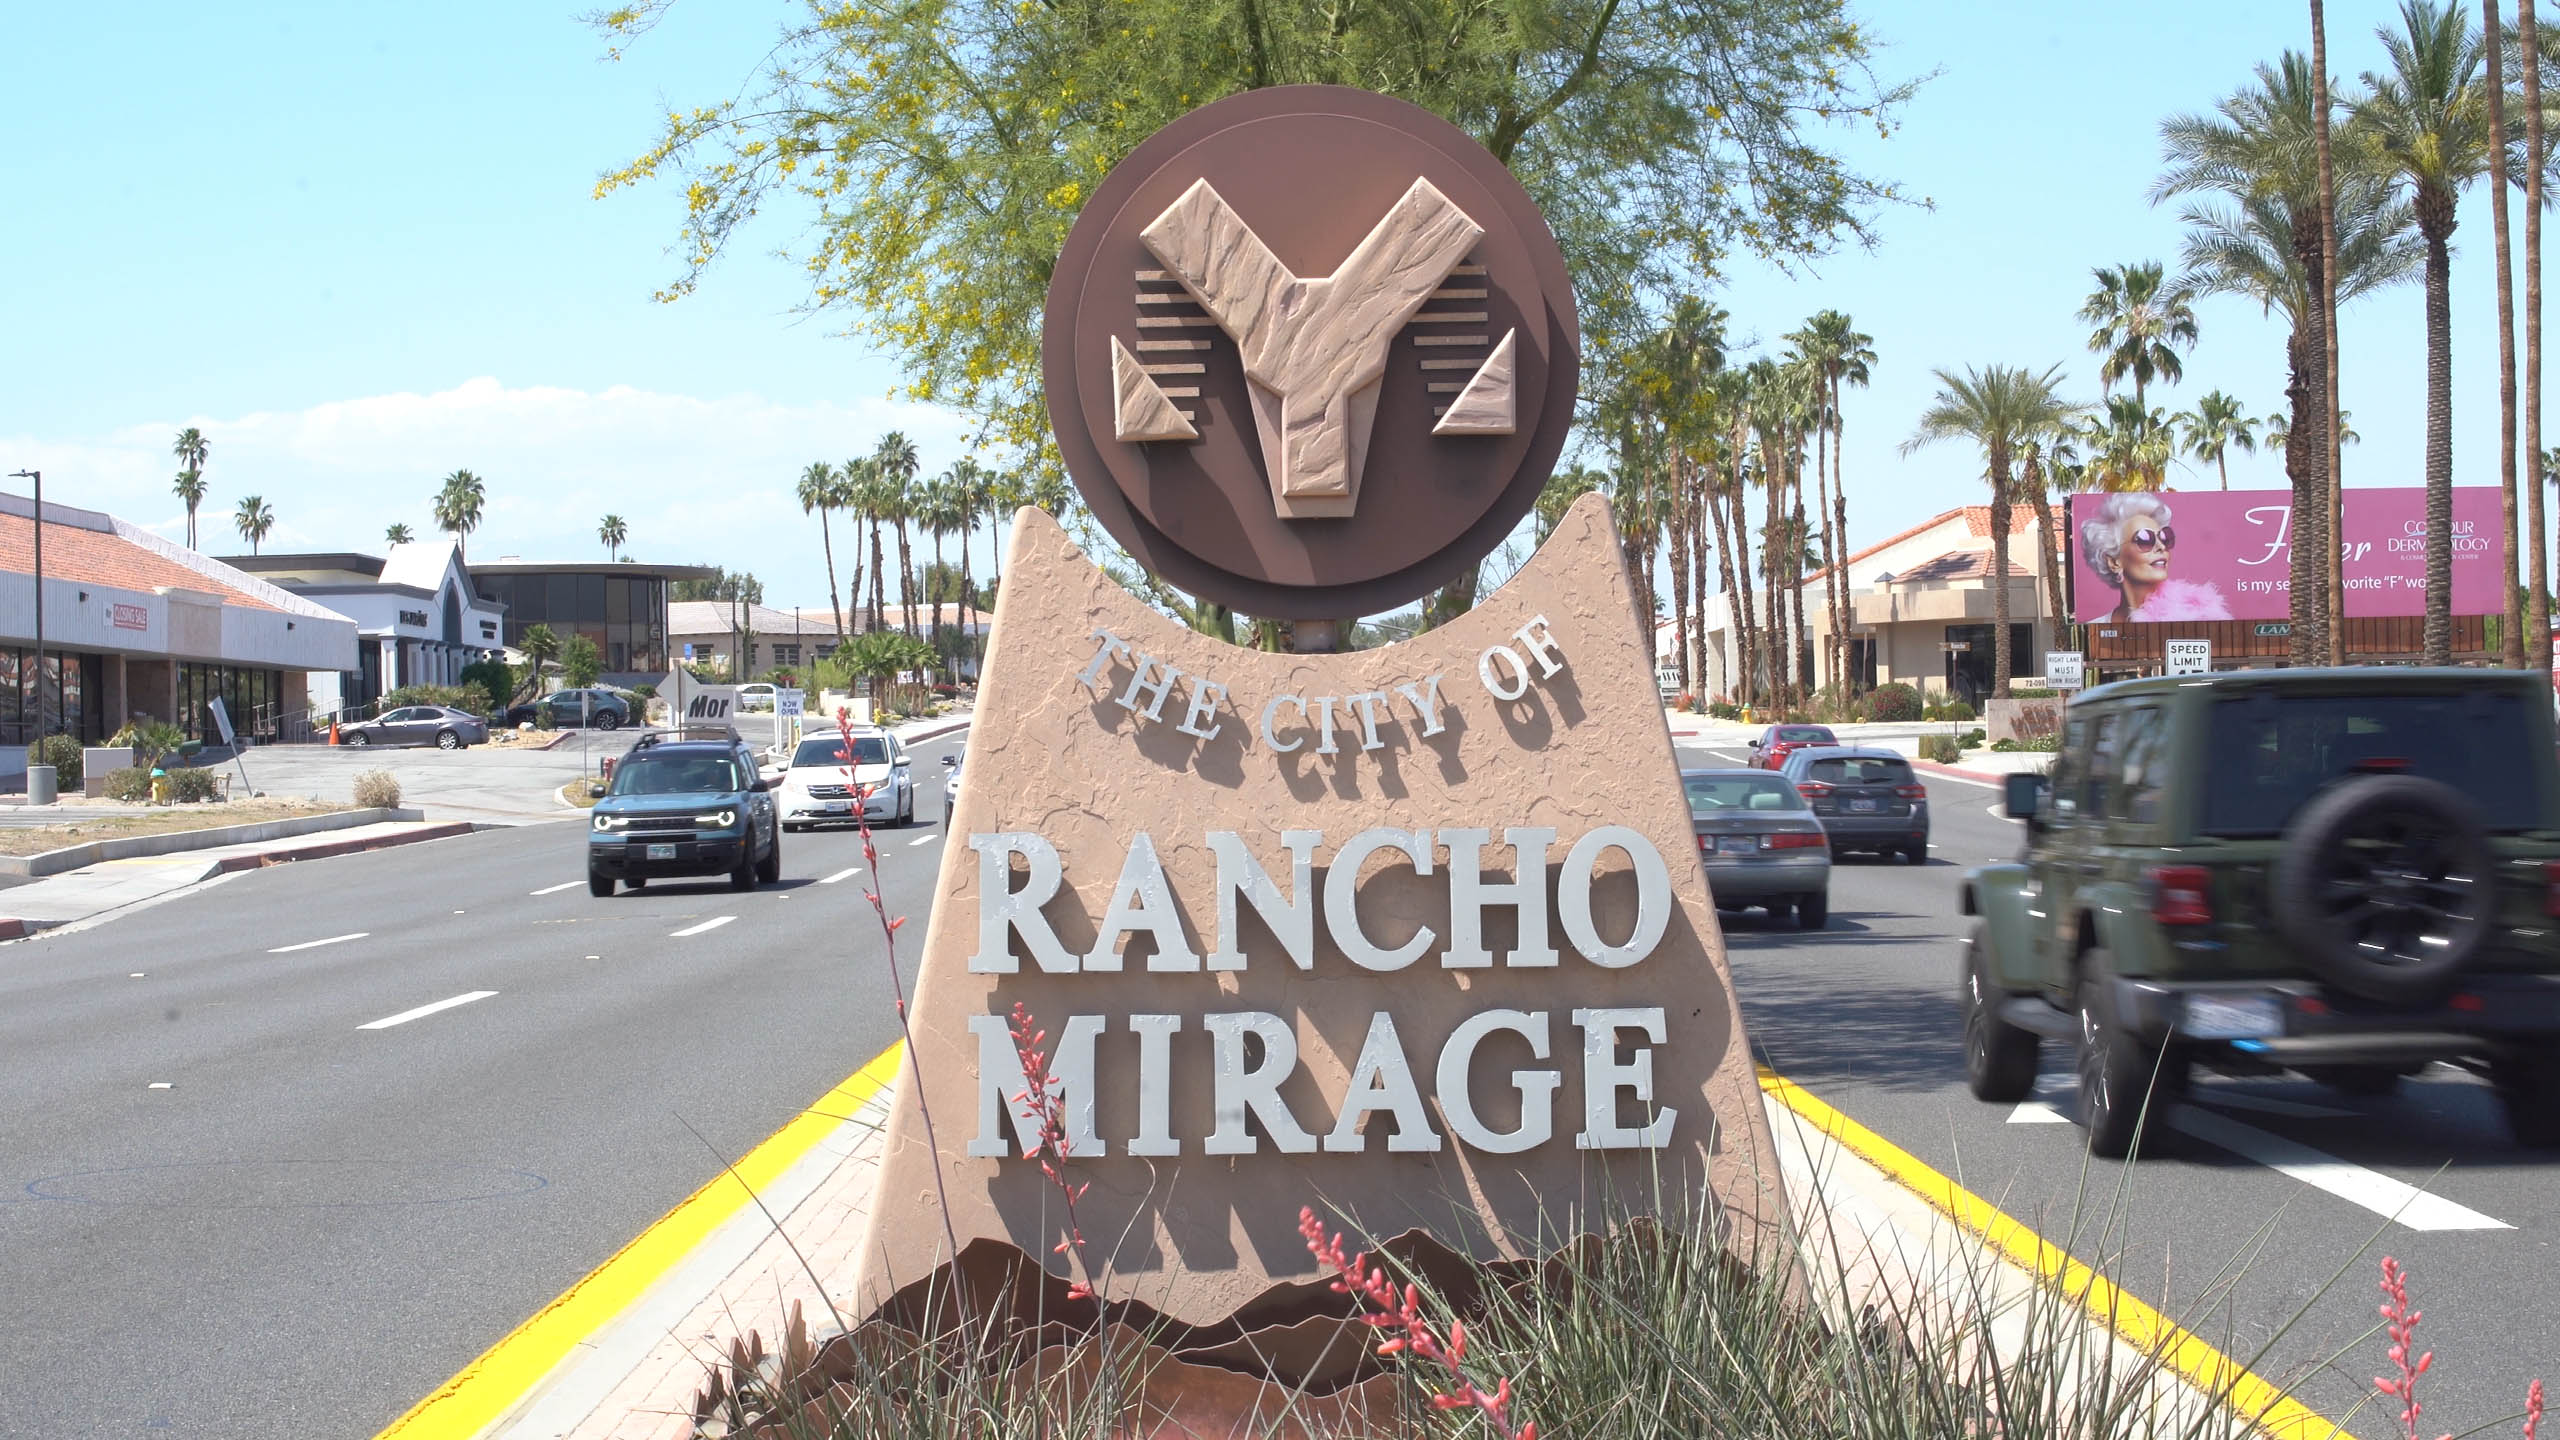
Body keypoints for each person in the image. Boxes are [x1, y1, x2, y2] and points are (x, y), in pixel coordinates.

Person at [2078, 493, 2230, 623]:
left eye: (2164, 537)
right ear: (2114, 562)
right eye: (2144, 539)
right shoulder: (2094, 627)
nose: (2161, 546)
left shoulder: (2197, 617)